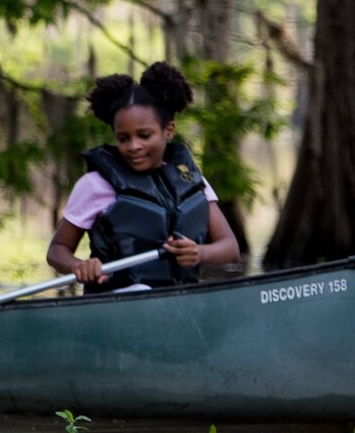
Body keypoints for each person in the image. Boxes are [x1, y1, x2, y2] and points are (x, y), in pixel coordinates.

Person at [45, 61, 242, 292]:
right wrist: (80, 266)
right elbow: (57, 250)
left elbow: (231, 249)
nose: (133, 146)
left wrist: (200, 252)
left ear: (168, 131)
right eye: (123, 138)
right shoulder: (95, 185)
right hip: (119, 301)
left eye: (144, 135)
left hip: (182, 302)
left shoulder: (190, 180)